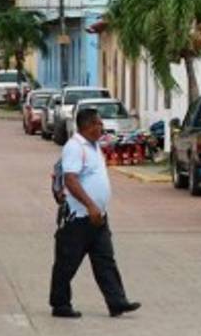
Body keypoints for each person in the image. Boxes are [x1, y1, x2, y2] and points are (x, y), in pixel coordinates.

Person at [49, 106, 141, 319]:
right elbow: (71, 179)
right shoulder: (75, 147)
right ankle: (60, 304)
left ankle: (117, 302)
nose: (102, 126)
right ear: (88, 126)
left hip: (98, 217)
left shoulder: (94, 146)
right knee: (67, 262)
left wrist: (97, 208)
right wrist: (90, 205)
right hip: (78, 217)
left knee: (105, 260)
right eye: (98, 123)